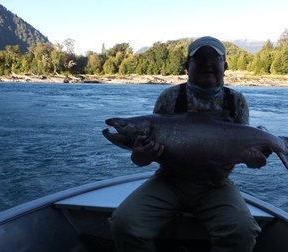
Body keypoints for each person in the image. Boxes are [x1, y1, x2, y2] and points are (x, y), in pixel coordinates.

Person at [108, 36, 269, 252]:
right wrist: (140, 156)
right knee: (124, 223)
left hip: (215, 185)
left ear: (225, 66)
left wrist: (255, 161)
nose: (207, 64)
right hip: (169, 181)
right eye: (199, 58)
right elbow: (142, 158)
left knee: (242, 231)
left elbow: (245, 154)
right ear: (187, 66)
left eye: (215, 59)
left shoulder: (236, 101)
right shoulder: (170, 97)